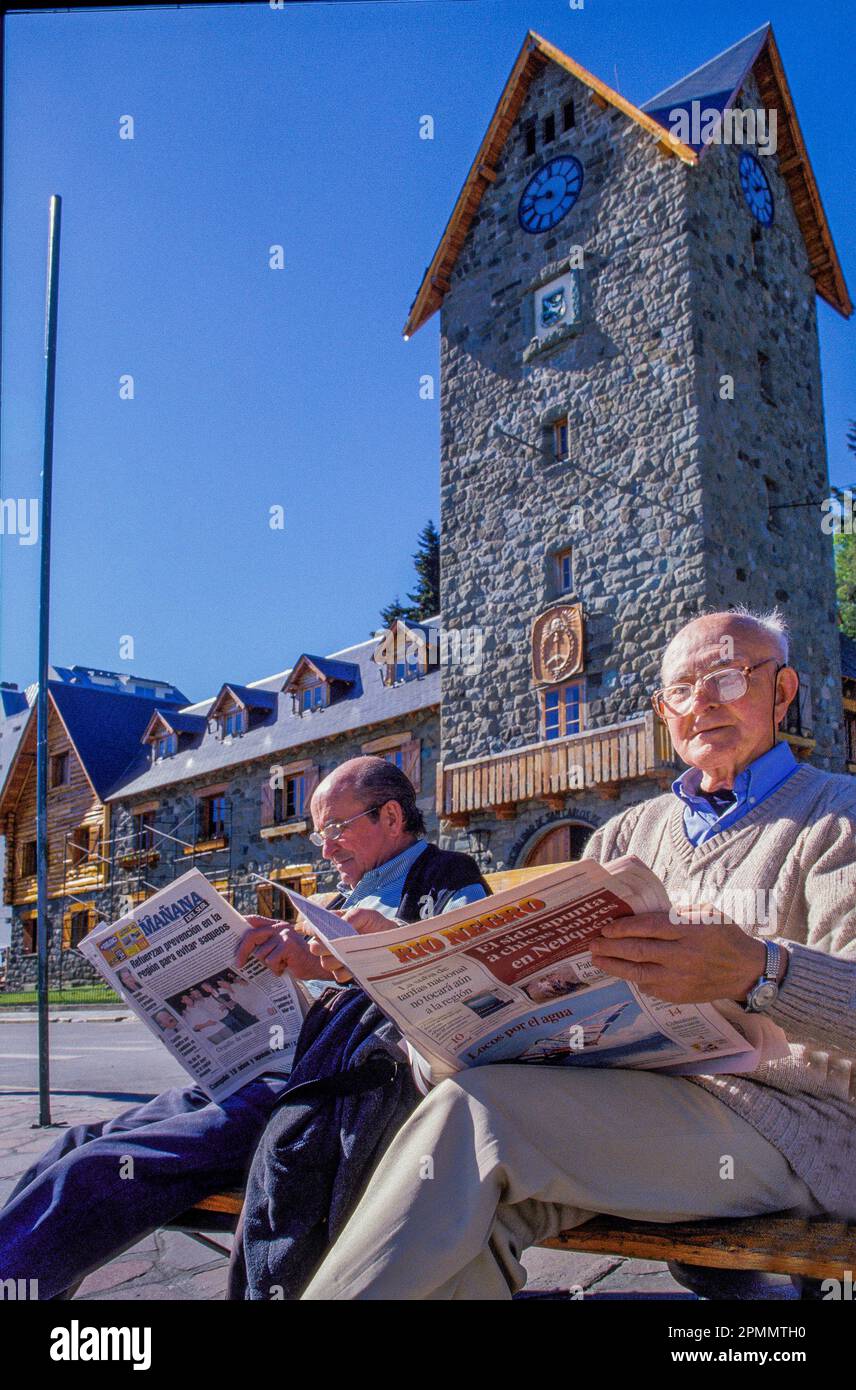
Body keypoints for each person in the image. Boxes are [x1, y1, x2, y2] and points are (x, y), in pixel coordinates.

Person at [296, 608, 856, 1300]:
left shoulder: (839, 817)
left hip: (795, 1129)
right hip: (625, 1109)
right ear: (663, 712)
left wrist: (761, 971)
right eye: (680, 690)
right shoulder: (622, 837)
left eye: (729, 676)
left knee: (483, 1121)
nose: (702, 702)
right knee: (463, 1222)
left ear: (783, 690)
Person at [0, 755, 487, 1300]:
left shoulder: (446, 878)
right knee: (74, 1141)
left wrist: (377, 943)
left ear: (391, 817)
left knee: (100, 1171)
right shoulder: (343, 895)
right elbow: (313, 985)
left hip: (324, 1091)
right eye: (316, 833)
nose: (323, 849)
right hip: (269, 1066)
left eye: (333, 829)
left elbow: (471, 974)